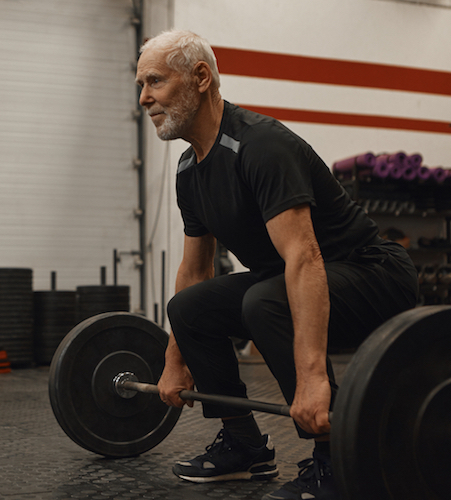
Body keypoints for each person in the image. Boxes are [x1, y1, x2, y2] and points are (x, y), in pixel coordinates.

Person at [135, 30, 418, 500]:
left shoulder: (261, 146)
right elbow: (194, 273)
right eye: (141, 84)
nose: (144, 98)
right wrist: (174, 360)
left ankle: (334, 460)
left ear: (201, 77)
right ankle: (244, 445)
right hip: (295, 280)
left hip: (374, 275)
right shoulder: (190, 170)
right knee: (188, 307)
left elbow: (304, 257)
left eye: (155, 81)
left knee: (265, 301)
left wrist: (312, 383)